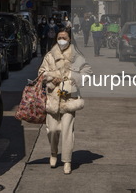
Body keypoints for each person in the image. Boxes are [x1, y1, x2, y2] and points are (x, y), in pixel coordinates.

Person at [38, 30, 93, 174]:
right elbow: (41, 73)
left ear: (70, 39)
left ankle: (67, 161)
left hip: (70, 99)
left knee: (67, 131)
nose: (62, 40)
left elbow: (87, 73)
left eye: (64, 37)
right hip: (52, 98)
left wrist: (71, 76)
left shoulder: (77, 56)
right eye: (59, 37)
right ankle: (53, 152)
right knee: (53, 130)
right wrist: (53, 77)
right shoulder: (50, 56)